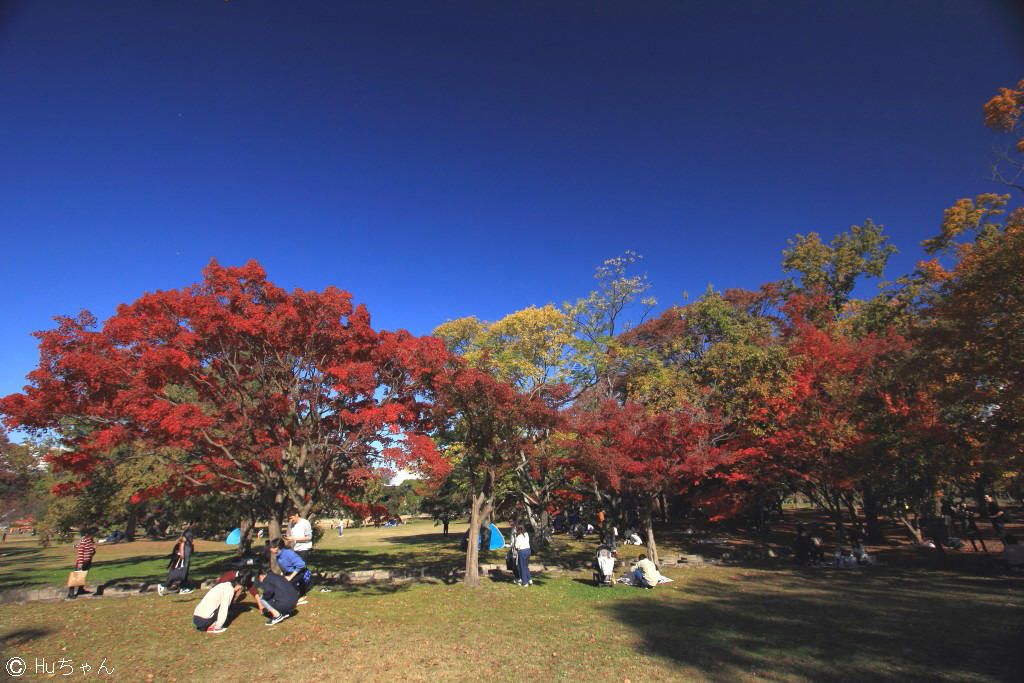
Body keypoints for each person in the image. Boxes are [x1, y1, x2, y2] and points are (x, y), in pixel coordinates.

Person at [270, 538, 312, 604]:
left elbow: (301, 564)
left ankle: (298, 598)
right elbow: (284, 566)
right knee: (279, 583)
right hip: (290, 572)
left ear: (277, 548)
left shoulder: (288, 553)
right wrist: (283, 574)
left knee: (287, 585)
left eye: (272, 547)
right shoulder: (278, 555)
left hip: (300, 571)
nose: (270, 549)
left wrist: (290, 577)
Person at [67, 527, 96, 599]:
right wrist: (80, 563)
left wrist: (93, 549)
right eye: (93, 534)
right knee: (76, 577)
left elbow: (90, 552)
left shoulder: (90, 541)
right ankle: (70, 594)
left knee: (83, 576)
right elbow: (80, 551)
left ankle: (81, 590)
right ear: (90, 534)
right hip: (82, 562)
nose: (94, 535)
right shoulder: (84, 540)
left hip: (87, 561)